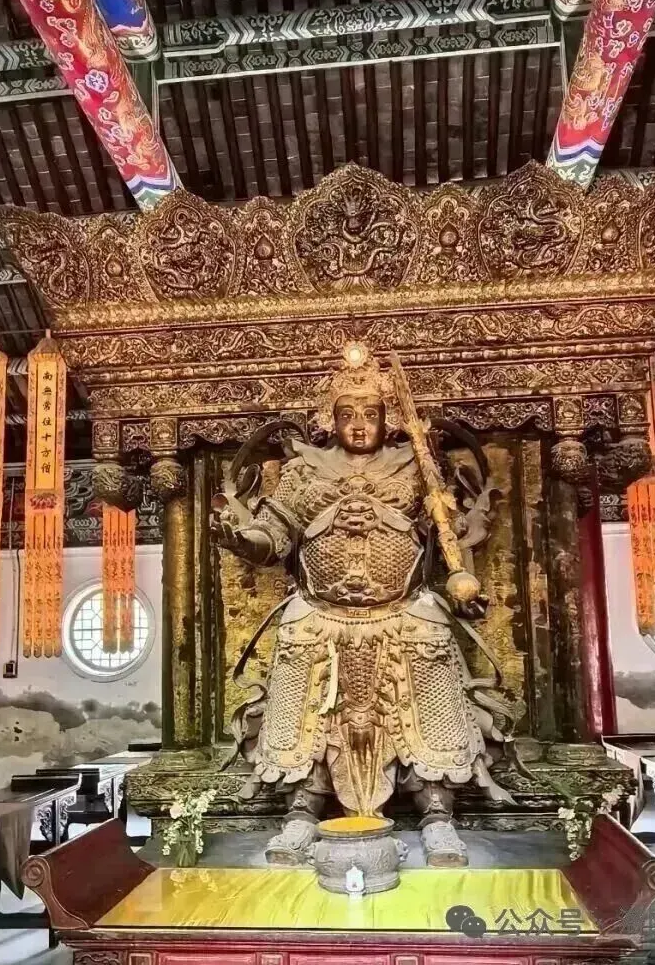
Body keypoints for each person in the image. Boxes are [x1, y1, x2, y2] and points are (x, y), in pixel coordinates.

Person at [213, 343, 521, 867]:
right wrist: (243, 539)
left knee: (431, 716)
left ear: (388, 418)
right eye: (347, 414)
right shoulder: (304, 472)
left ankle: (438, 817)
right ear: (329, 420)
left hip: (404, 611)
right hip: (321, 614)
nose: (359, 425)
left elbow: (447, 534)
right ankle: (301, 815)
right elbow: (275, 534)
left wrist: (460, 569)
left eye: (371, 414)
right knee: (306, 719)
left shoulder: (415, 466)